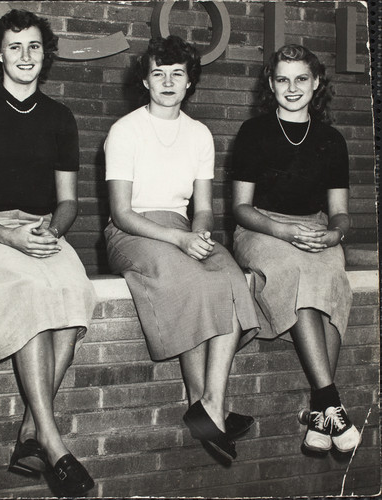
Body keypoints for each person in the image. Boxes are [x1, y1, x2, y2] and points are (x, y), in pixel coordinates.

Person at [0, 10, 96, 496]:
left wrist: (52, 229)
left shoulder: (60, 117)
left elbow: (69, 201)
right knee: (32, 294)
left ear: (44, 54)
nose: (25, 56)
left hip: (40, 229)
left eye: (34, 46)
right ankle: (52, 443)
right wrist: (10, 237)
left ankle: (31, 430)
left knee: (74, 300)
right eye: (15, 47)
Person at [104, 35, 259, 461]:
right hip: (133, 232)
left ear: (190, 82)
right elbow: (120, 213)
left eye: (178, 73)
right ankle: (210, 407)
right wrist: (179, 239)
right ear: (146, 81)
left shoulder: (199, 134)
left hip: (183, 228)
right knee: (190, 281)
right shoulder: (125, 130)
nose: (168, 82)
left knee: (229, 277)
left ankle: (208, 402)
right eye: (159, 73)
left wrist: (202, 234)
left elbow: (203, 208)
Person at [231, 44, 361, 454]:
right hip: (261, 229)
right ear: (271, 84)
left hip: (314, 229)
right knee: (297, 269)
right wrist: (284, 232)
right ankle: (330, 401)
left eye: (301, 78)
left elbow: (340, 215)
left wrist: (333, 235)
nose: (292, 87)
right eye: (283, 79)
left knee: (329, 273)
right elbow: (240, 208)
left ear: (316, 82)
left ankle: (323, 414)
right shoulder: (254, 132)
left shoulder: (332, 139)